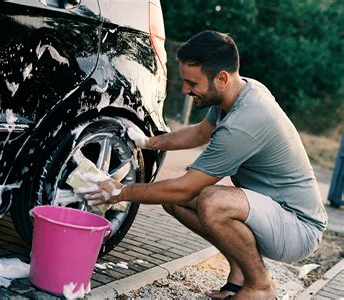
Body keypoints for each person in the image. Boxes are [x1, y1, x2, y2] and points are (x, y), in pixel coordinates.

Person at [82, 30, 327, 300]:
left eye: (192, 83)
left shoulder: (244, 122)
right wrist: (149, 142)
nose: (185, 89)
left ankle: (261, 287)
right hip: (271, 211)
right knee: (173, 201)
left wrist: (119, 191)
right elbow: (200, 133)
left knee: (211, 201)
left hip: (298, 227)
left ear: (221, 78)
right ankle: (240, 269)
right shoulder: (238, 92)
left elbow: (184, 188)